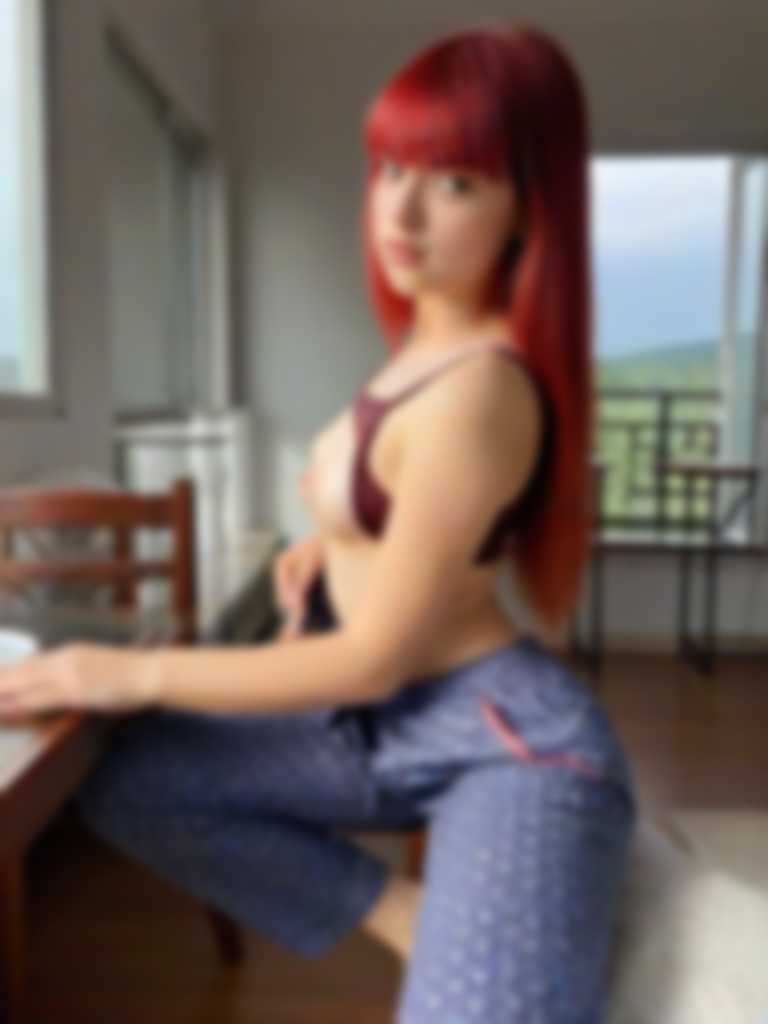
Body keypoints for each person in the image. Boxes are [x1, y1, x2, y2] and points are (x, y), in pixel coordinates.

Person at [0, 21, 637, 1022]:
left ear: (529, 205)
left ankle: (496, 921)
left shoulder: (482, 386)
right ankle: (409, 914)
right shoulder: (421, 352)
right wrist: (329, 550)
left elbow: (374, 659)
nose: (402, 210)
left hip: (503, 741)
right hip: (383, 724)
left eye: (456, 182)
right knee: (134, 782)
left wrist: (128, 669)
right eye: (392, 169)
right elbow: (413, 517)